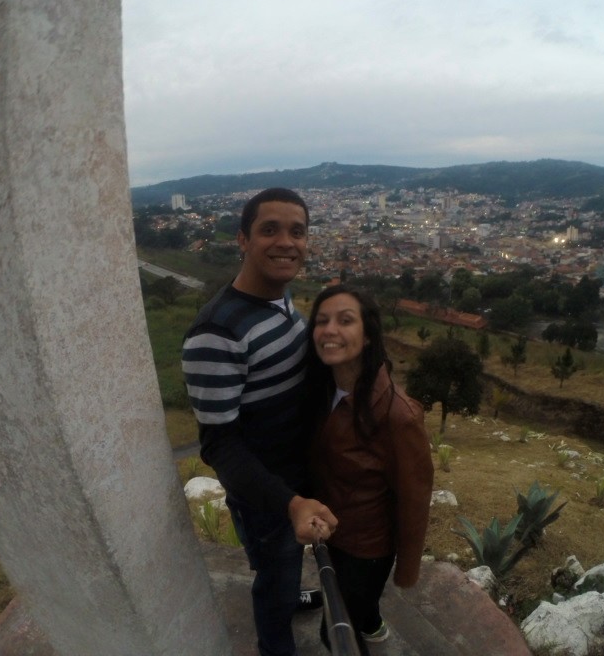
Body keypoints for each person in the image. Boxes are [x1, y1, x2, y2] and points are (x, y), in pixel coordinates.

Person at [182, 187, 337, 656]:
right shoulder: (217, 333)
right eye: (269, 230)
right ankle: (275, 642)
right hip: (268, 494)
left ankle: (289, 593)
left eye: (297, 231)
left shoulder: (281, 303)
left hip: (294, 480)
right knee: (275, 572)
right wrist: (288, 502)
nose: (286, 242)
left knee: (286, 566)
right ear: (243, 240)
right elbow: (219, 445)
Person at [305, 284, 434, 652]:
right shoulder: (321, 389)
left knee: (335, 634)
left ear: (367, 337)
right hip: (334, 535)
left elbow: (414, 498)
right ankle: (375, 629)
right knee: (361, 611)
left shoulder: (397, 415)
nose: (329, 330)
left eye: (345, 321)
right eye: (322, 320)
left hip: (365, 549)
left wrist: (406, 571)